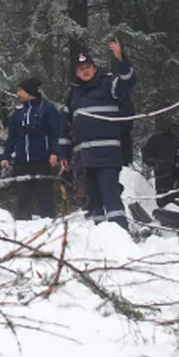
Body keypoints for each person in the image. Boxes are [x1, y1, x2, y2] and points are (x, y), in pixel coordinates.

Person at [60, 39, 138, 230]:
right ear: (77, 73)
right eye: (81, 69)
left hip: (107, 155)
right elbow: (64, 126)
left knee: (110, 195)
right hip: (83, 159)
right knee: (90, 199)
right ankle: (98, 238)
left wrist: (121, 58)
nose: (85, 71)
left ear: (95, 68)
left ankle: (121, 234)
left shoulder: (108, 84)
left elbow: (128, 80)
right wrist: (63, 153)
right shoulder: (73, 95)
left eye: (88, 67)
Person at [0, 77, 62, 220]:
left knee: (44, 194)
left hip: (42, 159)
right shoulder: (18, 113)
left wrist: (54, 152)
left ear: (30, 92)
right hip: (22, 160)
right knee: (22, 195)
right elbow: (12, 137)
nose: (18, 94)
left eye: (20, 91)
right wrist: (6, 156)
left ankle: (48, 221)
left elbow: (56, 133)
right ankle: (22, 223)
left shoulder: (47, 109)